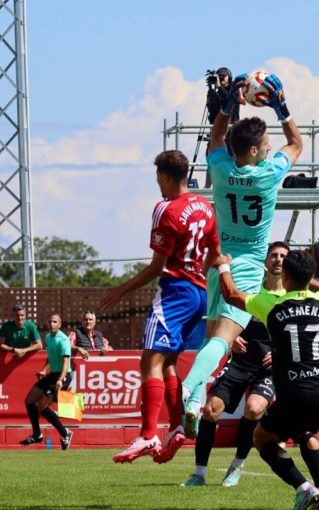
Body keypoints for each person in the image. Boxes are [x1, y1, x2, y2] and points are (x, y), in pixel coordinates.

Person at [181, 72, 303, 437]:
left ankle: (191, 403)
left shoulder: (218, 167)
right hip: (247, 265)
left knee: (210, 335)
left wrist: (230, 102)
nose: (269, 147)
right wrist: (281, 107)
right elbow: (296, 144)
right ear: (253, 151)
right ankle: (187, 389)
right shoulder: (267, 174)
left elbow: (217, 137)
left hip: (218, 262)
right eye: (265, 144)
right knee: (223, 338)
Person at [101, 150, 220, 464]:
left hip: (174, 292)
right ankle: (176, 427)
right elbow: (215, 252)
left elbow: (158, 265)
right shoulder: (205, 207)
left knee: (148, 362)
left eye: (159, 180)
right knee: (168, 363)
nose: (159, 186)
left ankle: (147, 434)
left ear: (166, 177)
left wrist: (121, 290)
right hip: (199, 293)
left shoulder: (165, 209)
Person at [217, 249, 319, 510]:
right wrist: (312, 280)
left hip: (297, 393)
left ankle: (304, 489)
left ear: (286, 275)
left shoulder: (272, 305)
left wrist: (223, 267)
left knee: (262, 439)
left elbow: (230, 294)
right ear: (310, 276)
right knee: (305, 432)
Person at [181, 241, 289, 488]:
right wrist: (231, 338)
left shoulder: (289, 299)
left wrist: (279, 353)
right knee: (211, 409)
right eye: (274, 255)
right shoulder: (251, 289)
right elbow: (225, 317)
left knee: (254, 408)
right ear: (265, 261)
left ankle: (237, 467)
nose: (278, 259)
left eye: (284, 256)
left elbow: (296, 336)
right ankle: (198, 474)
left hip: (267, 367)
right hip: (240, 360)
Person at [19, 314, 73, 450]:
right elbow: (50, 358)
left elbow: (66, 362)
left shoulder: (63, 340)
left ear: (60, 324)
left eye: (55, 322)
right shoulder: (48, 338)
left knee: (41, 407)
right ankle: (37, 435)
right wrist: (44, 370)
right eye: (50, 321)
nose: (51, 324)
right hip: (52, 374)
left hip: (63, 375)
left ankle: (65, 433)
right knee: (29, 400)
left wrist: (61, 380)